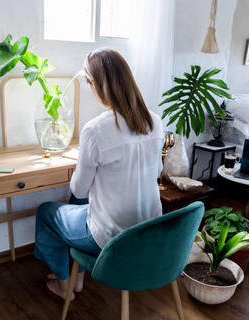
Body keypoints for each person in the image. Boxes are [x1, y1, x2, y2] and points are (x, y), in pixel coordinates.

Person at [34, 48, 164, 300]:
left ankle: (66, 285)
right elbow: (155, 172)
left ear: (96, 84)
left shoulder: (95, 130)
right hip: (147, 232)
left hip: (112, 238)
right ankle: (78, 276)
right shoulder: (155, 122)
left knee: (46, 212)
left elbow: (79, 189)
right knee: (80, 204)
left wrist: (84, 163)